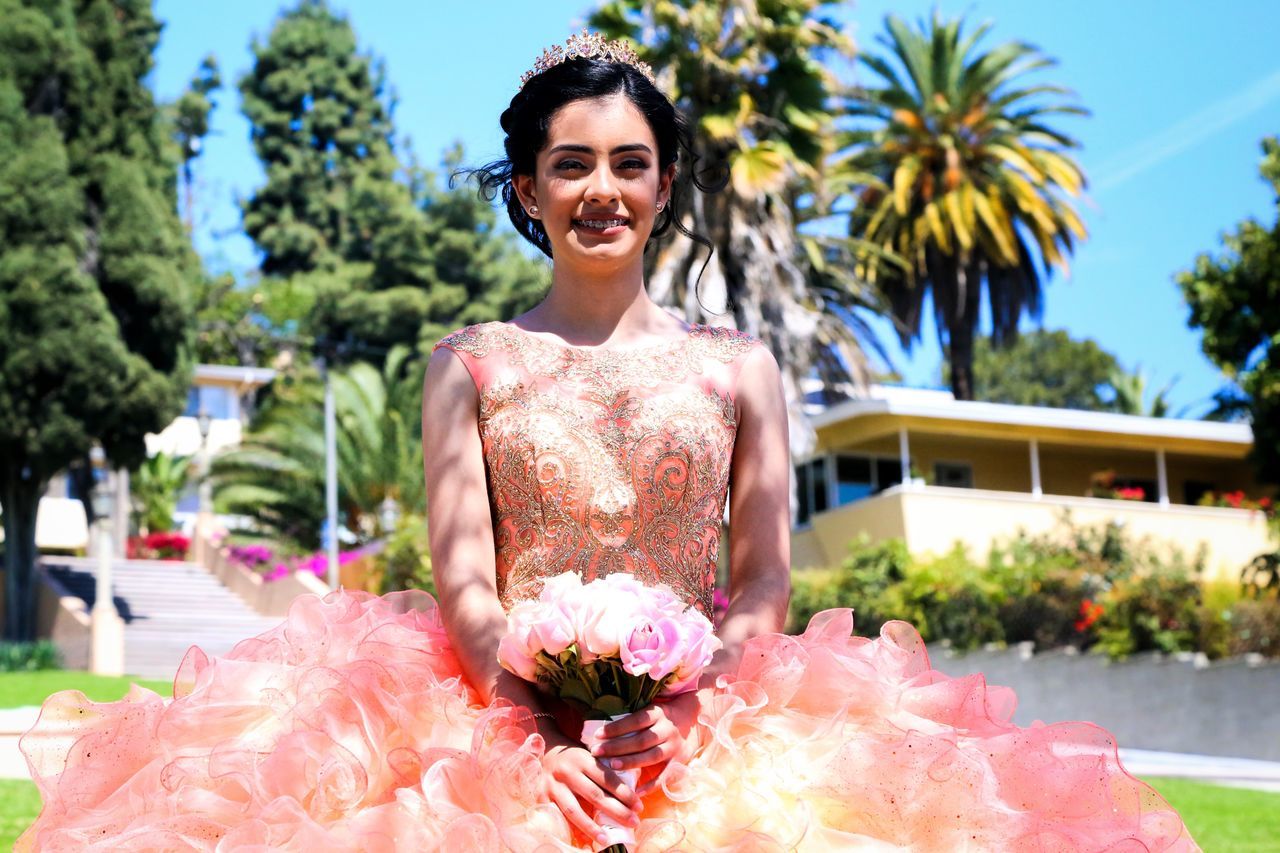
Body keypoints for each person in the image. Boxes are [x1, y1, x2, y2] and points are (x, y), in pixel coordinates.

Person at [17, 31, 1196, 852]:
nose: (600, 189)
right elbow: (465, 578)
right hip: (491, 711)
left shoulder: (738, 369)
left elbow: (762, 581)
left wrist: (692, 709)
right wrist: (528, 729)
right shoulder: (466, 364)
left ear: (665, 182)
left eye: (628, 164)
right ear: (527, 189)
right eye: (569, 165)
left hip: (713, 719)